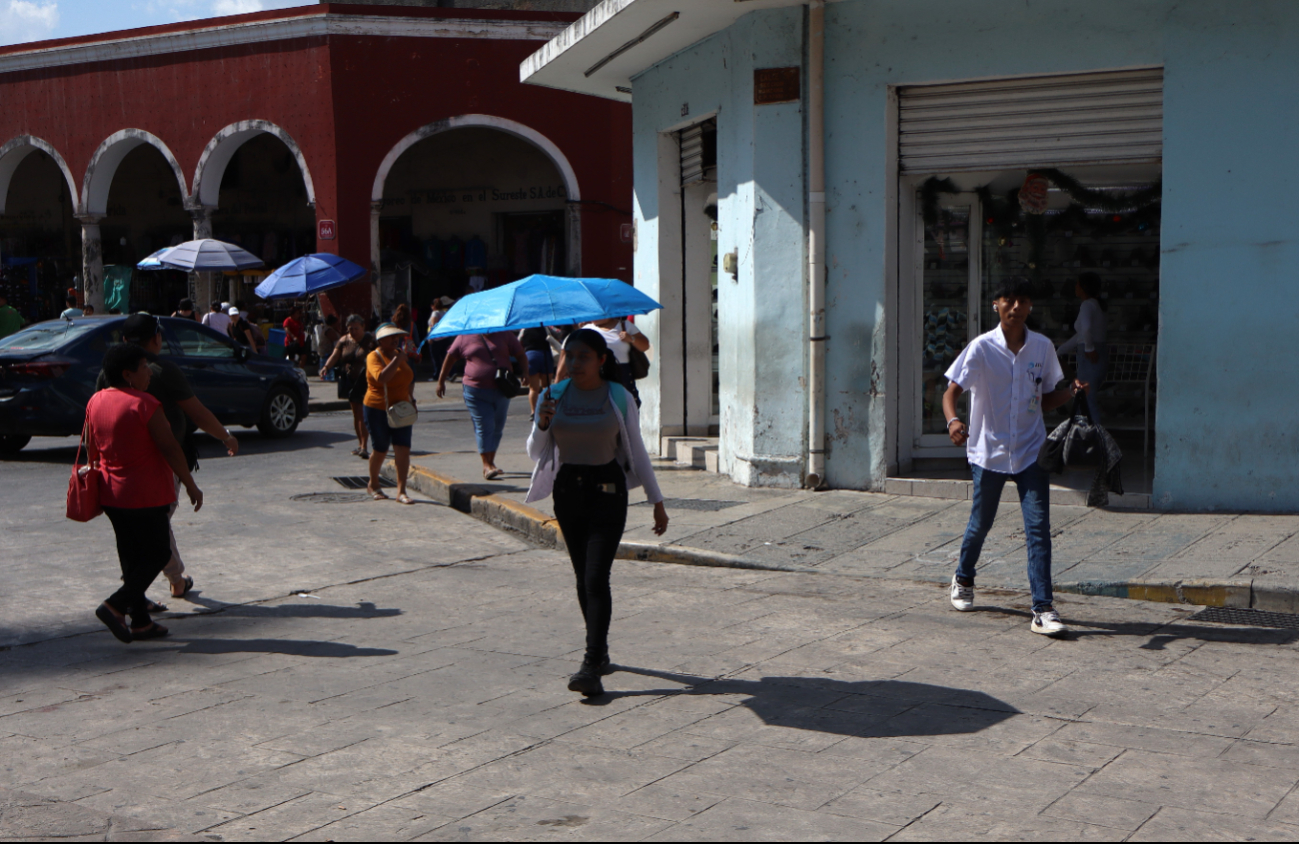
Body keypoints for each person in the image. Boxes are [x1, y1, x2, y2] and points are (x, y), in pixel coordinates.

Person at [942, 278, 1089, 638]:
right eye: (1008, 300)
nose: (1015, 307)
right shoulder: (980, 349)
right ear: (996, 305)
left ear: (1029, 307)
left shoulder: (1041, 347)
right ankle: (963, 578)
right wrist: (953, 420)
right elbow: (950, 392)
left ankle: (1043, 608)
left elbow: (1045, 398)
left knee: (1038, 529)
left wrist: (1070, 392)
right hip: (988, 453)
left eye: (1022, 301)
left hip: (1030, 451)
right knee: (981, 523)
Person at [527, 328, 669, 697]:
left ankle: (591, 664)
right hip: (568, 491)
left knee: (595, 577)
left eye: (583, 357)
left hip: (607, 491)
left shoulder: (619, 397)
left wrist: (657, 501)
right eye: (568, 356)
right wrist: (542, 422)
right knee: (581, 576)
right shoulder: (552, 395)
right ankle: (601, 651)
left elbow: (636, 450)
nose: (574, 363)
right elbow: (534, 450)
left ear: (602, 360)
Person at [95, 313, 238, 600]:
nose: (146, 371)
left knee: (136, 535)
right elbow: (189, 422)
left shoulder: (107, 377)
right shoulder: (160, 375)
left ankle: (140, 599)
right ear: (157, 339)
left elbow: (96, 425)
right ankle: (145, 590)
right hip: (156, 468)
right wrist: (224, 437)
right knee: (156, 533)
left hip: (117, 471)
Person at [87, 343, 203, 643]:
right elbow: (170, 448)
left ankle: (140, 621)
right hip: (146, 494)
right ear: (127, 375)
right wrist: (190, 484)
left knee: (131, 557)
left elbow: (91, 445)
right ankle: (115, 605)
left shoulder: (96, 401)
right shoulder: (145, 404)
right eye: (142, 367)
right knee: (158, 553)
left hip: (112, 495)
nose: (148, 372)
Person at [438, 329, 528, 480]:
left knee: (497, 427)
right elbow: (450, 357)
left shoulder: (505, 334)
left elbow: (520, 353)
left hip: (503, 388)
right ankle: (486, 465)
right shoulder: (464, 337)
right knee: (484, 425)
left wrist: (526, 372)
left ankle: (491, 462)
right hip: (475, 390)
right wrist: (441, 381)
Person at [363, 323, 416, 504]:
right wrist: (397, 360)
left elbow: (408, 378)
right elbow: (382, 378)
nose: (395, 340)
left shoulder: (399, 356)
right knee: (381, 448)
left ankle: (401, 491)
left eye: (397, 337)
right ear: (380, 340)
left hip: (401, 408)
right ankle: (374, 484)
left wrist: (412, 399)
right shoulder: (373, 357)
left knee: (403, 448)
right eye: (391, 337)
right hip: (378, 408)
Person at [320, 315, 374, 458]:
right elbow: (335, 355)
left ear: (363, 327)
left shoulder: (370, 340)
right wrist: (326, 367)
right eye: (351, 329)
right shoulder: (344, 340)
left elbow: (381, 355)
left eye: (356, 328)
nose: (353, 332)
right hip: (349, 380)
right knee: (356, 413)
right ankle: (360, 443)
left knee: (362, 414)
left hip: (366, 380)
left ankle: (364, 446)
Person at [1057, 272, 1108, 424]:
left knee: (1086, 397)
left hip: (1089, 357)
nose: (1075, 287)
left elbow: (1085, 329)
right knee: (1085, 397)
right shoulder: (1097, 305)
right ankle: (1086, 434)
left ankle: (1096, 436)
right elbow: (1080, 335)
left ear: (1084, 287)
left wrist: (1089, 348)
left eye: (1078, 284)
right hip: (1097, 354)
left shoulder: (1087, 305)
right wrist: (1060, 351)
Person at [576, 317, 650, 406]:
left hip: (622, 374)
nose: (593, 317)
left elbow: (645, 346)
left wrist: (631, 339)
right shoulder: (587, 329)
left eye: (598, 314)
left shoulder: (624, 325)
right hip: (597, 374)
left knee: (627, 408)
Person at [520, 325, 556, 416]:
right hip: (545, 355)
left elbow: (518, 342)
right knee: (546, 386)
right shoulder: (546, 327)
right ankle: (547, 409)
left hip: (530, 356)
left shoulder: (524, 328)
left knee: (533, 388)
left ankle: (533, 411)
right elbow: (558, 333)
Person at [426, 297, 454, 374]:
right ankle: (450, 373)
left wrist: (431, 337)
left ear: (433, 306)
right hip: (445, 337)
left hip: (436, 339)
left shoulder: (435, 313)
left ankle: (437, 374)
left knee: (436, 358)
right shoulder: (445, 313)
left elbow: (433, 326)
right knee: (446, 356)